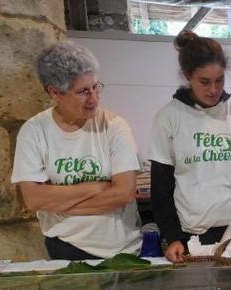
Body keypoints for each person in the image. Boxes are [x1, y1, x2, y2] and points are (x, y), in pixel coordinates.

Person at [11, 41, 142, 260]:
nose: (94, 98)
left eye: (95, 87)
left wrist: (59, 204)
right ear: (55, 92)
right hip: (66, 248)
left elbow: (124, 193)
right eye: (83, 92)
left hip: (123, 250)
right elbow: (33, 199)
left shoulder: (115, 126)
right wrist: (99, 187)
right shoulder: (33, 131)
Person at [150, 31, 231, 263]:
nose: (214, 89)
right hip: (191, 236)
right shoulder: (169, 117)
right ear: (187, 75)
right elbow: (161, 189)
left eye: (220, 80)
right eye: (205, 82)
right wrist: (173, 237)